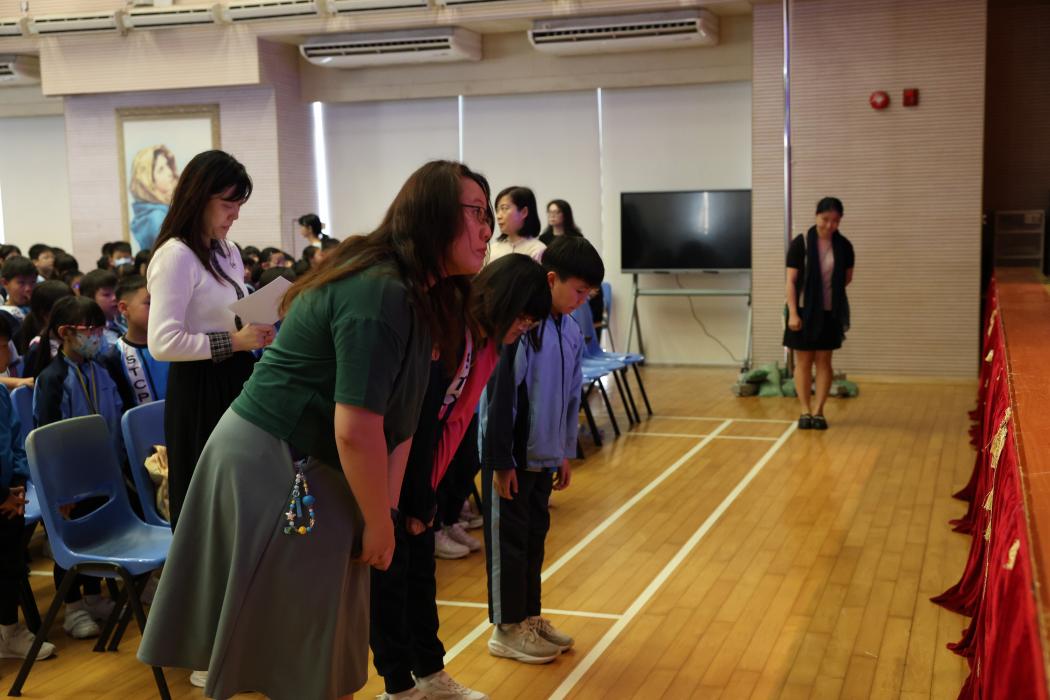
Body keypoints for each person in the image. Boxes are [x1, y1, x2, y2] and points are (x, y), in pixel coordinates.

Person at [137, 159, 493, 700]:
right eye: (477, 213)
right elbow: (356, 427)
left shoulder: (419, 292)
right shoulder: (379, 291)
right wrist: (379, 520)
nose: (488, 228)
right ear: (434, 215)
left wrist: (386, 513)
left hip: (317, 460)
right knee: (302, 647)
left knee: (321, 644)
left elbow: (402, 421)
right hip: (274, 459)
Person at [371, 254, 551, 700]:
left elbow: (454, 423)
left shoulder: (488, 346)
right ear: (503, 301)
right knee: (389, 580)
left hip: (420, 468)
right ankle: (397, 686)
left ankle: (430, 673)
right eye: (522, 318)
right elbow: (411, 423)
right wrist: (407, 500)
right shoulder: (448, 330)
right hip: (386, 466)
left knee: (420, 573)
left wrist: (428, 494)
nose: (523, 328)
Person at [480, 236, 603, 664]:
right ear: (551, 279)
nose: (581, 301)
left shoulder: (569, 329)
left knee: (534, 539)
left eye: (588, 295)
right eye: (578, 291)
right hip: (512, 458)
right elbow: (500, 397)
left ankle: (529, 617)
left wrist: (565, 451)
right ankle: (505, 628)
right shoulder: (523, 328)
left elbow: (571, 396)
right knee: (509, 543)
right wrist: (500, 461)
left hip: (545, 456)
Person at [146, 149, 274, 537]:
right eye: (227, 204)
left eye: (239, 206)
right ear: (199, 198)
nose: (234, 215)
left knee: (242, 495)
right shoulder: (175, 256)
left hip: (237, 375)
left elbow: (224, 314)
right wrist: (234, 341)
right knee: (209, 504)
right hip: (200, 388)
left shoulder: (228, 251)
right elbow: (162, 342)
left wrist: (254, 326)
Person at [33, 296, 125, 640]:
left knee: (98, 535)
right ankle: (73, 608)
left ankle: (94, 596)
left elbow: (120, 413)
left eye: (101, 328)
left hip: (104, 473)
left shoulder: (103, 367)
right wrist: (61, 490)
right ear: (66, 333)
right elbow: (47, 438)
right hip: (69, 480)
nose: (98, 336)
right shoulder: (53, 378)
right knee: (73, 540)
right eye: (91, 330)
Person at [0, 315, 52, 661]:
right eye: (3, 345)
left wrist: (18, 484)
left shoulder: (1, 392)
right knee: (5, 565)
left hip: (10, 494)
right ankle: (8, 632)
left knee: (11, 563)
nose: (8, 352)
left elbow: (16, 442)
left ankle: (9, 630)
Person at [784, 196, 855, 431]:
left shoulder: (844, 246)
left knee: (824, 361)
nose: (829, 225)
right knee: (804, 362)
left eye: (835, 221)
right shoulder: (801, 243)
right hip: (803, 310)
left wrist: (826, 295)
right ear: (816, 216)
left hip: (829, 312)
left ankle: (819, 411)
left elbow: (846, 279)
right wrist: (793, 313)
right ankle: (805, 410)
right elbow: (791, 281)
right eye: (825, 219)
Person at [104, 275, 169, 406]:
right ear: (124, 308)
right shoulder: (115, 357)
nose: (158, 309)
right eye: (149, 303)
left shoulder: (173, 343)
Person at [129, 145, 179, 252]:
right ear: (148, 180)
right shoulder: (157, 217)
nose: (170, 173)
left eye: (167, 165)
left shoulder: (158, 212)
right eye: (161, 169)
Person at [489, 186, 545, 263]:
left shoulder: (537, 250)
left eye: (504, 208)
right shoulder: (493, 249)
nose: (498, 216)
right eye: (497, 210)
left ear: (524, 212)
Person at [79, 269, 125, 344]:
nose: (115, 298)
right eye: (107, 295)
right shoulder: (90, 332)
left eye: (116, 292)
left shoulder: (124, 319)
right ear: (91, 299)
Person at [0, 256, 38, 324]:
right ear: (5, 283)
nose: (28, 289)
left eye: (32, 282)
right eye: (21, 283)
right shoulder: (3, 315)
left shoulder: (38, 309)